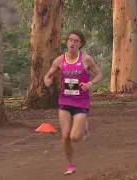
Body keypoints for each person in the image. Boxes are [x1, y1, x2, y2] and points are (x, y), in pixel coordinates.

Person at [44, 30, 103, 175]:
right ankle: (70, 165)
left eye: (76, 41)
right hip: (65, 100)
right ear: (67, 42)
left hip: (81, 102)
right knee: (65, 136)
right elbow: (48, 75)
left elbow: (99, 75)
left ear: (80, 44)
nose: (72, 43)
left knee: (75, 137)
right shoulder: (59, 60)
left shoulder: (86, 59)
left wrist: (89, 84)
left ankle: (84, 128)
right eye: (70, 40)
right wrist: (47, 80)